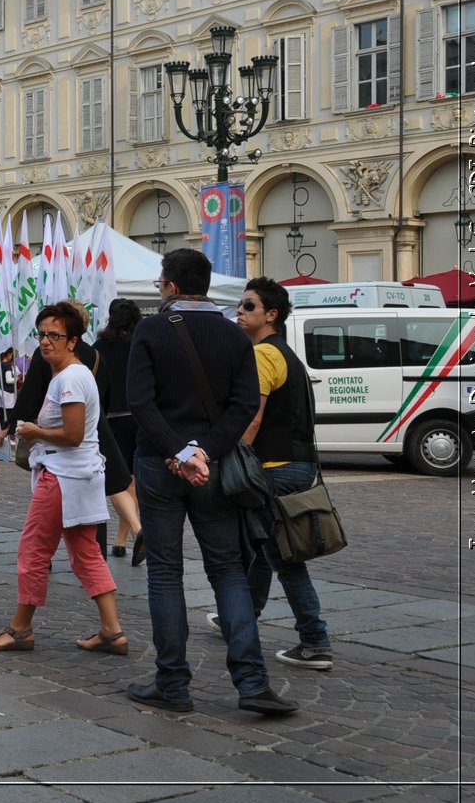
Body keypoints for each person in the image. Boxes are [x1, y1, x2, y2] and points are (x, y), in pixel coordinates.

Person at [126, 248, 296, 717]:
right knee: (226, 571)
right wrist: (206, 452)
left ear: (173, 287)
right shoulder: (233, 334)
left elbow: (141, 403)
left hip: (160, 465)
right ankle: (253, 682)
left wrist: (180, 452)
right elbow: (245, 406)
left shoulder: (151, 328)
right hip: (216, 468)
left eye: (161, 284)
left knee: (165, 571)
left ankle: (173, 683)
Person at [0, 301, 127, 657]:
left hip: (63, 476)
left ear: (73, 340)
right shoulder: (68, 375)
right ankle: (111, 631)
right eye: (42, 334)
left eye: (55, 335)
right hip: (78, 475)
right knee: (85, 552)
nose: (46, 341)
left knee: (33, 551)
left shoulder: (71, 378)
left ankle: (20, 629)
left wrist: (35, 430)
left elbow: (73, 434)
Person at [221, 276, 332, 670]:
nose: (239, 310)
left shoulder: (263, 355)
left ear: (271, 315)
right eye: (240, 304)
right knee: (265, 550)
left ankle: (315, 640)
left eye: (249, 306)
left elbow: (253, 417)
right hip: (296, 466)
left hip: (275, 469)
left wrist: (232, 458)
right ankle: (240, 617)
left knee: (284, 558)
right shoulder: (287, 354)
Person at [94, 299, 145, 562]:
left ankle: (133, 533)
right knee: (133, 478)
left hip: (112, 418)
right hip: (141, 416)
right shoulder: (142, 342)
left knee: (113, 478)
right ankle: (122, 539)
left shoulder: (101, 347)